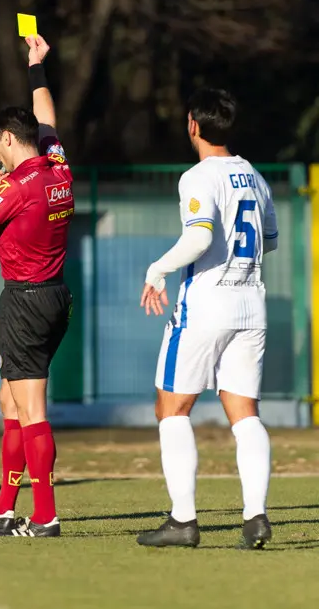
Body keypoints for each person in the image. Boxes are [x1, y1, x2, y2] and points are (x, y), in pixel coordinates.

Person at [136, 88, 277, 550]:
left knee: (171, 408)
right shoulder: (255, 176)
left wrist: (157, 270)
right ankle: (255, 515)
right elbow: (270, 239)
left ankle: (183, 520)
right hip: (250, 303)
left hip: (207, 304)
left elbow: (199, 238)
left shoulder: (198, 176)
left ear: (192, 124)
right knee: (245, 414)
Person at [0, 34, 73, 538]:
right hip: (57, 295)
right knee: (10, 403)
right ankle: (5, 509)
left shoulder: (12, 186)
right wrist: (36, 67)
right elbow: (45, 119)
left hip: (25, 301)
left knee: (31, 411)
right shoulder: (57, 164)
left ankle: (45, 516)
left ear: (6, 138)